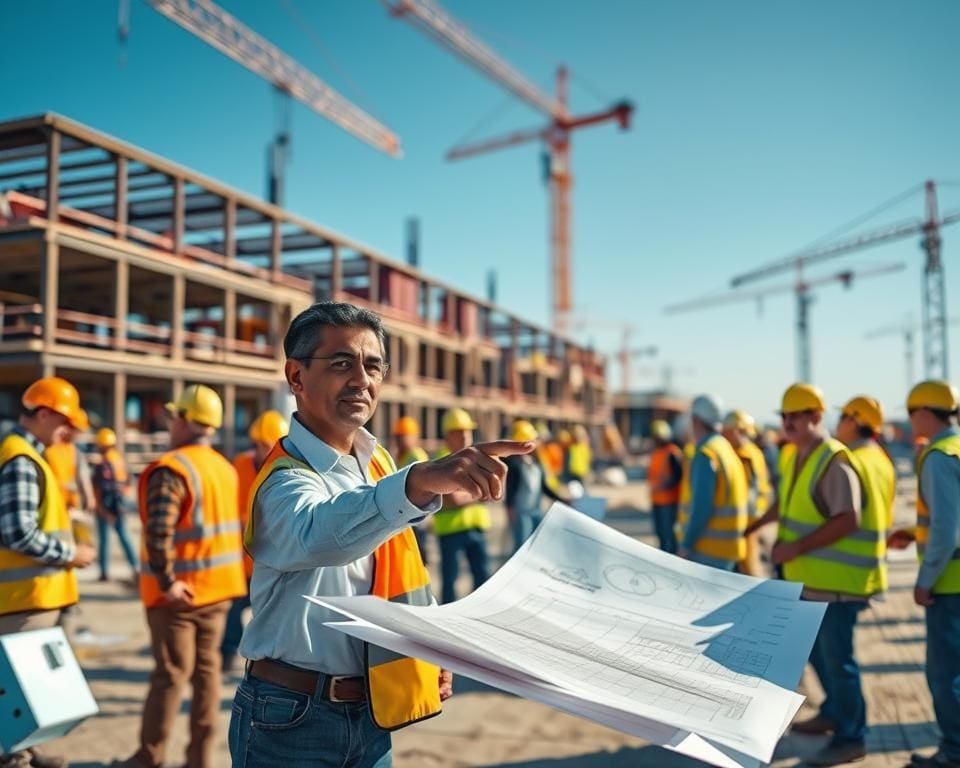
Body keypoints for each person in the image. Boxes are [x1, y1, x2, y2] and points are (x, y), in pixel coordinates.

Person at [230, 301, 533, 767]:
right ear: (296, 377)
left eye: (373, 366)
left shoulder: (377, 463)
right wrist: (417, 482)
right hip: (290, 717)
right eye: (341, 363)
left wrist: (431, 642)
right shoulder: (283, 479)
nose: (361, 380)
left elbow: (403, 566)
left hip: (371, 712)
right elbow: (320, 535)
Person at [115, 384, 246, 768]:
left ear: (187, 421)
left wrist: (168, 581)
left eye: (175, 417)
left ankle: (149, 757)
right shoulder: (224, 468)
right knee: (207, 675)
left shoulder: (172, 469)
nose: (171, 424)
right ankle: (199, 760)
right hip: (219, 592)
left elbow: (158, 533)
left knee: (170, 675)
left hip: (178, 597)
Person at [756, 383, 885, 767]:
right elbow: (788, 502)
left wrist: (796, 547)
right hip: (810, 581)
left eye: (795, 416)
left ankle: (851, 737)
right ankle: (834, 712)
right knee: (818, 655)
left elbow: (848, 518)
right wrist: (757, 524)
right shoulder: (796, 455)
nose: (787, 423)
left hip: (837, 584)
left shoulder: (833, 459)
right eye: (784, 416)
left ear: (815, 416)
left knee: (839, 662)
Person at [0, 376, 95, 768]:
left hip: (35, 596)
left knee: (30, 689)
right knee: (16, 689)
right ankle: (14, 758)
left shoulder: (29, 454)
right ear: (42, 414)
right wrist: (70, 554)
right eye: (64, 422)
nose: (68, 431)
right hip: (23, 598)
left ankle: (27, 749)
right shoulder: (21, 459)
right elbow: (16, 532)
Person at [900, 381, 960, 768]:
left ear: (924, 412)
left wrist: (925, 580)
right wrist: (912, 533)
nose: (910, 421)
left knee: (946, 674)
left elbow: (947, 529)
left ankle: (954, 752)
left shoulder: (938, 456)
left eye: (910, 412)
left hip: (950, 583)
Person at [221, 410, 289, 673]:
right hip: (241, 560)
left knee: (273, 616)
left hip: (272, 561)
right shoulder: (240, 465)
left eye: (265, 445)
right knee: (232, 610)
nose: (260, 451)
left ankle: (271, 661)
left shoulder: (287, 468)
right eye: (258, 445)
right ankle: (228, 653)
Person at [677, 394, 748, 571]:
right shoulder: (725, 448)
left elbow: (701, 507)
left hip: (707, 550)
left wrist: (686, 545)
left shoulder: (706, 453)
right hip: (727, 549)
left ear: (695, 420)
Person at [433, 408, 492, 603]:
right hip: (451, 530)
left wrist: (468, 493)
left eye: (468, 430)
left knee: (482, 576)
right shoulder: (440, 461)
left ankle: (479, 611)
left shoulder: (475, 459)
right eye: (459, 431)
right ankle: (447, 615)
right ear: (448, 435)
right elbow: (453, 499)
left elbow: (489, 492)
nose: (465, 436)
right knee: (450, 579)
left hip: (476, 527)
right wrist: (479, 492)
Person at [722, 409, 773, 576]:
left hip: (746, 523)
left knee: (747, 571)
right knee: (747, 570)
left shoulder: (744, 454)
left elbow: (751, 491)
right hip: (749, 520)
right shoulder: (753, 452)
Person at [504, 420, 567, 551]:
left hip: (536, 511)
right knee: (521, 547)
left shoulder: (536, 463)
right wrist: (509, 508)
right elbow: (511, 489)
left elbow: (543, 487)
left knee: (536, 546)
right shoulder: (514, 464)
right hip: (521, 513)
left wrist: (561, 499)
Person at [91, 427, 138, 583]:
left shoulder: (102, 465)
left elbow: (97, 489)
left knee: (104, 540)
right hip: (119, 505)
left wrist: (101, 508)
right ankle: (135, 567)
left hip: (106, 505)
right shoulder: (120, 461)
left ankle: (104, 572)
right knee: (124, 537)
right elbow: (129, 483)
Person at [393, 415, 430, 563]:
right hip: (406, 515)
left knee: (418, 556)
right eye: (398, 437)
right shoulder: (402, 456)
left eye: (404, 436)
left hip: (417, 516)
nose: (400, 440)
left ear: (414, 437)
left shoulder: (416, 455)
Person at [647, 419, 683, 554]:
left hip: (669, 501)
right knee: (661, 534)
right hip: (657, 500)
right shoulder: (656, 452)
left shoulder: (672, 452)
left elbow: (678, 476)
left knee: (669, 536)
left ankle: (670, 559)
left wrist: (665, 486)